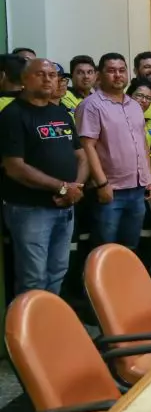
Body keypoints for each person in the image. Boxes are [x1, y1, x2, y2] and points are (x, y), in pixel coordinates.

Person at [0, 59, 88, 295]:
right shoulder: (12, 115)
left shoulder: (60, 112)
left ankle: (50, 326)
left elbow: (81, 156)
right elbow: (14, 166)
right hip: (31, 210)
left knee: (58, 270)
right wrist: (62, 188)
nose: (49, 79)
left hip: (66, 206)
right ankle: (28, 330)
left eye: (52, 75)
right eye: (41, 74)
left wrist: (75, 188)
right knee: (33, 277)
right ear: (24, 80)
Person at [76, 53, 151, 253]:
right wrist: (102, 183)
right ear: (100, 76)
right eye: (111, 71)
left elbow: (142, 144)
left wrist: (149, 179)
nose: (118, 75)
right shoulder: (91, 106)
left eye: (121, 70)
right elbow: (87, 147)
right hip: (110, 191)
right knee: (104, 251)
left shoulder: (134, 105)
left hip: (137, 189)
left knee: (130, 248)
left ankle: (125, 284)